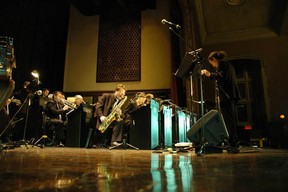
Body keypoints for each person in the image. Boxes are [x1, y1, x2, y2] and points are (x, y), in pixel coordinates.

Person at [201, 51, 241, 147]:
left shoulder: (222, 64)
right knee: (231, 119)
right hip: (231, 95)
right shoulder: (228, 65)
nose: (213, 66)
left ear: (213, 59)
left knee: (229, 120)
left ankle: (232, 142)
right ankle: (233, 141)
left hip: (227, 96)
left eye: (212, 63)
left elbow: (222, 76)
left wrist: (209, 74)